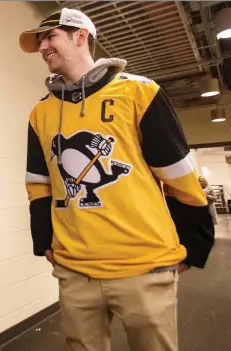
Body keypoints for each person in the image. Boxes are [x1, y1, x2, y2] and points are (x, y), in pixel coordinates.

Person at [20, 8, 215, 351]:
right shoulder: (41, 112)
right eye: (40, 41)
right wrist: (44, 239)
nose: (42, 47)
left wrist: (195, 241)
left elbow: (178, 174)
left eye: (49, 36)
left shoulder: (140, 92)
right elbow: (39, 183)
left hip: (144, 266)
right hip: (75, 269)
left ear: (80, 36)